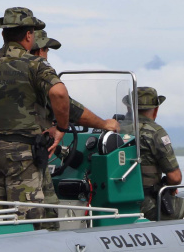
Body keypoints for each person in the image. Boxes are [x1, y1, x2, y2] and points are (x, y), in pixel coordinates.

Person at [0, 7, 71, 221]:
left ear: (3, 34)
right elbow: (58, 93)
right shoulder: (36, 65)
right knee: (28, 221)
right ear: (29, 35)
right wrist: (61, 128)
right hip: (22, 155)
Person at [30, 29, 121, 228]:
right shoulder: (36, 69)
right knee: (45, 219)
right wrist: (105, 124)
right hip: (29, 157)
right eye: (46, 50)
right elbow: (65, 104)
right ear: (40, 50)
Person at [126, 86, 184, 221]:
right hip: (146, 205)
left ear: (128, 108)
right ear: (156, 110)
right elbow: (175, 177)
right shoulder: (155, 132)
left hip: (118, 202)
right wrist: (167, 185)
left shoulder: (114, 130)